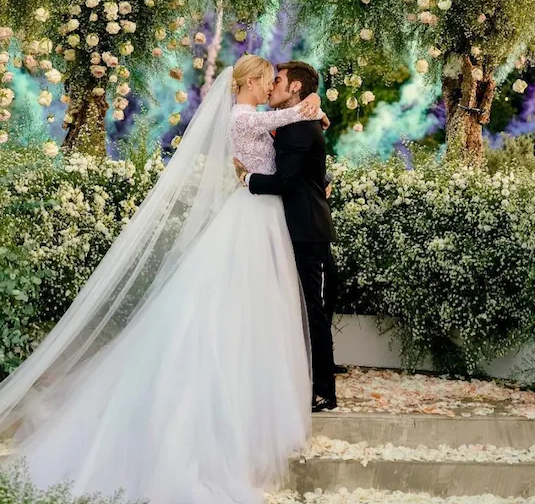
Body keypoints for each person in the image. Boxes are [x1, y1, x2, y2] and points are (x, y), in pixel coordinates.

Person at [0, 56, 325, 504]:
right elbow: (291, 116)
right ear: (252, 81)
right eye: (268, 81)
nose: (272, 88)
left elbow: (290, 122)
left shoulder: (252, 116)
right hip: (253, 217)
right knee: (240, 304)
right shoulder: (245, 116)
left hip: (261, 216)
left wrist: (311, 108)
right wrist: (312, 106)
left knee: (257, 305)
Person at [234, 61, 338, 412]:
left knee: (312, 310)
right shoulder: (292, 122)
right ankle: (299, 382)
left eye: (277, 81)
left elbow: (286, 181)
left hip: (307, 229)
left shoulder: (300, 127)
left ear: (295, 87)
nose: (271, 86)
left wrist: (246, 179)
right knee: (295, 306)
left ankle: (323, 391)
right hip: (288, 226)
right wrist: (316, 107)